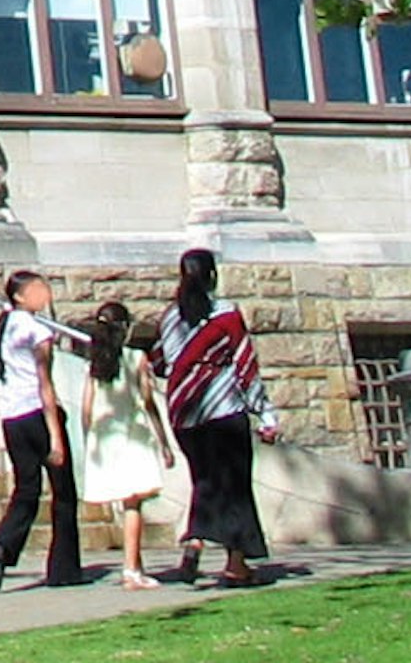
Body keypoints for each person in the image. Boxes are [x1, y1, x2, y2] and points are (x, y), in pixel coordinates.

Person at [150, 246, 269, 587]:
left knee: (204, 479)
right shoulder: (226, 313)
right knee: (235, 483)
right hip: (222, 408)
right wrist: (264, 412)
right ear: (213, 276)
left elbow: (159, 361)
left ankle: (193, 545)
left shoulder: (170, 317)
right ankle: (236, 563)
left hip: (184, 410)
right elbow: (245, 363)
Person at [0, 267, 90, 590]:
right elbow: (45, 385)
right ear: (19, 296)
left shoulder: (5, 328)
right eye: (38, 289)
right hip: (37, 414)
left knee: (26, 488)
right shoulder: (36, 331)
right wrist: (56, 436)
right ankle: (64, 568)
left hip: (12, 417)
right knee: (64, 493)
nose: (45, 294)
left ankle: (4, 542)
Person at [72, 300, 177, 587]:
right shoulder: (135, 358)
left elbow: (86, 408)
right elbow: (147, 400)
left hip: (104, 437)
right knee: (134, 503)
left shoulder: (94, 365)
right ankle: (131, 569)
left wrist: (88, 439)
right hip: (132, 434)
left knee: (127, 501)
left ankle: (136, 564)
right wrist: (164, 441)